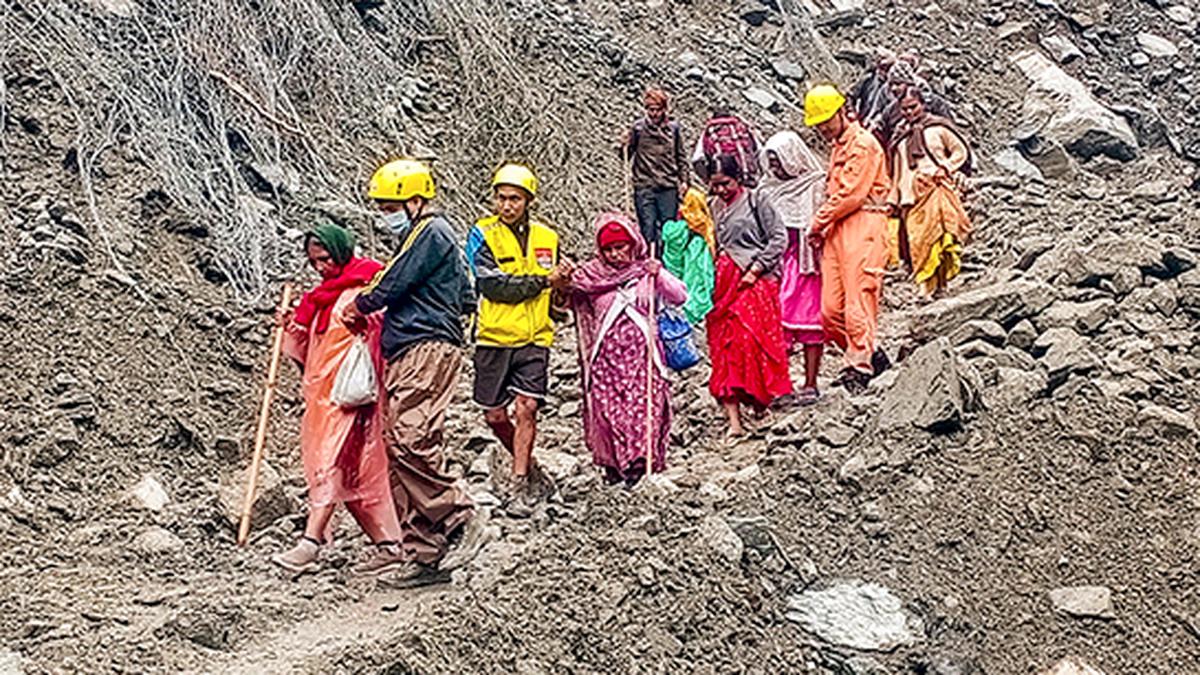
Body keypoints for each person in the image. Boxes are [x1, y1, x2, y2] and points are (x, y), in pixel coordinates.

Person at [340, 159, 477, 576]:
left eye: (388, 207)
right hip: (411, 346)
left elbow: (393, 282)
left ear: (414, 201)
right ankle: (424, 549)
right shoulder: (424, 238)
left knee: (410, 438)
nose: (385, 215)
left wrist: (360, 303)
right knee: (399, 446)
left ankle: (458, 514)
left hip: (425, 345)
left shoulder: (430, 232)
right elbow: (466, 296)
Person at [272, 224, 406, 575]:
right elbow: (308, 352)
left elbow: (381, 336)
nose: (320, 267)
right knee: (345, 469)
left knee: (335, 464)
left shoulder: (367, 287)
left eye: (326, 258)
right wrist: (293, 326)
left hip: (354, 397)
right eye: (314, 261)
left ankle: (311, 541)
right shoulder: (320, 297)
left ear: (342, 252)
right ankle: (388, 544)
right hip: (324, 398)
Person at [465, 164, 573, 504]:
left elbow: (557, 294)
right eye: (501, 198)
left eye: (514, 198)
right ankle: (524, 459)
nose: (507, 205)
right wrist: (545, 282)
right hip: (494, 335)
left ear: (528, 200)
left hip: (535, 336)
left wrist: (562, 287)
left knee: (527, 407)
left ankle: (520, 479)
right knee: (495, 415)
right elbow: (493, 285)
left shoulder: (548, 238)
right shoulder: (481, 235)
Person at [569, 212, 687, 485]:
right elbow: (568, 301)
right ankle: (614, 464)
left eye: (620, 247)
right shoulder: (592, 277)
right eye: (608, 249)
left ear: (632, 245)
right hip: (606, 361)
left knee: (644, 411)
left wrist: (660, 275)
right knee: (611, 413)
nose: (615, 254)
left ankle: (638, 464)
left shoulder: (646, 272)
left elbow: (679, 296)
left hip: (643, 358)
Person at [804, 84, 892, 396]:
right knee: (830, 310)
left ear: (842, 111)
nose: (824, 128)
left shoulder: (863, 144)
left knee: (858, 297)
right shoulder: (838, 147)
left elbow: (851, 193)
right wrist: (824, 227)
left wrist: (817, 222)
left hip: (864, 222)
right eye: (819, 124)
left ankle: (859, 364)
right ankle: (871, 351)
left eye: (827, 120)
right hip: (837, 228)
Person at [705, 153, 792, 437]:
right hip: (726, 284)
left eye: (725, 183)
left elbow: (779, 237)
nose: (720, 190)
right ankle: (734, 421)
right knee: (725, 346)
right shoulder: (715, 206)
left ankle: (759, 403)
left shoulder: (758, 201)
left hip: (754, 283)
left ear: (738, 178)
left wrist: (756, 268)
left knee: (752, 342)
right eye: (715, 184)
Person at [759, 131, 827, 405]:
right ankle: (781, 385)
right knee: (777, 327)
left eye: (779, 162)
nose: (775, 168)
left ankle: (810, 383)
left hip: (807, 265)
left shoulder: (815, 185)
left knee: (811, 325)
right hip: (777, 267)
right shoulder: (766, 189)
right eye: (771, 162)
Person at [888, 86, 972, 296]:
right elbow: (897, 170)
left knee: (939, 237)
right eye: (904, 109)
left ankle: (940, 285)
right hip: (909, 195)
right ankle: (926, 285)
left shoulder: (938, 128)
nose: (909, 112)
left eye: (913, 107)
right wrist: (893, 198)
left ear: (923, 104)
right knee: (917, 241)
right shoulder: (900, 136)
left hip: (935, 187)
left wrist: (945, 168)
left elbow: (959, 151)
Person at [621, 87, 689, 252]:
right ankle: (649, 261)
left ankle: (666, 264)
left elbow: (681, 157)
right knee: (648, 227)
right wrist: (624, 144)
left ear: (665, 109)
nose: (654, 113)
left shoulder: (674, 129)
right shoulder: (638, 129)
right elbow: (625, 156)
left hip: (668, 185)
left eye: (658, 109)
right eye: (650, 109)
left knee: (668, 229)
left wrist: (685, 181)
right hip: (645, 185)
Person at [661, 187, 716, 324]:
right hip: (698, 263)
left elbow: (671, 242)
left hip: (684, 269)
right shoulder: (707, 225)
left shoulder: (679, 228)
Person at [874, 59, 954, 148]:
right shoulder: (890, 110)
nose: (893, 88)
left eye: (898, 83)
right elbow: (882, 135)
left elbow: (949, 129)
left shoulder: (935, 103)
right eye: (891, 84)